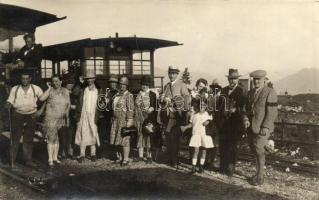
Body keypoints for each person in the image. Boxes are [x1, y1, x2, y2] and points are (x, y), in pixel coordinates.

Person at [243, 70, 278, 186]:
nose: (256, 81)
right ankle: (258, 173)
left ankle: (260, 177)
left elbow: (272, 112)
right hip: (251, 128)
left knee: (259, 149)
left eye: (259, 79)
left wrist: (266, 127)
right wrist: (246, 119)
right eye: (254, 79)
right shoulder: (250, 93)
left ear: (264, 80)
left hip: (262, 127)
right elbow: (246, 109)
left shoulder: (270, 92)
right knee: (254, 150)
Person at [5, 71, 45, 168]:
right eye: (23, 78)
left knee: (28, 138)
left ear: (30, 79)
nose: (25, 80)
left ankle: (28, 160)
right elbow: (10, 100)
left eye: (27, 78)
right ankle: (12, 160)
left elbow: (44, 100)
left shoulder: (36, 89)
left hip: (31, 115)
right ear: (21, 79)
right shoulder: (15, 89)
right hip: (18, 114)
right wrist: (8, 104)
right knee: (15, 138)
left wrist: (40, 111)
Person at [215, 68, 246, 176]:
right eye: (230, 79)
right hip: (223, 124)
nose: (232, 81)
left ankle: (231, 167)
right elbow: (218, 107)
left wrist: (235, 110)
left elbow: (244, 108)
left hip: (235, 124)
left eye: (234, 79)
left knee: (233, 146)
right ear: (228, 79)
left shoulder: (242, 91)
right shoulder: (223, 91)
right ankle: (222, 166)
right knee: (223, 145)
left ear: (237, 79)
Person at [160, 66, 190, 167]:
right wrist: (164, 100)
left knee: (175, 139)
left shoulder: (182, 85)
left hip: (177, 116)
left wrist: (177, 106)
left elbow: (186, 100)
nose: (172, 75)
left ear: (177, 74)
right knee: (168, 138)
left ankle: (175, 160)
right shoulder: (167, 86)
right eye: (170, 73)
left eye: (174, 73)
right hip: (168, 117)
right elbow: (162, 100)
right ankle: (170, 159)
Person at [41, 75, 70, 166]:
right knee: (51, 138)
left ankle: (55, 158)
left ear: (61, 81)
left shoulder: (65, 91)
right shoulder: (50, 91)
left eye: (57, 81)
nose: (55, 83)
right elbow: (41, 98)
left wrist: (67, 117)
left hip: (61, 119)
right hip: (51, 118)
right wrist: (49, 88)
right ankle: (50, 159)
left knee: (57, 139)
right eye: (53, 81)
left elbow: (68, 104)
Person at [181, 100, 214, 174]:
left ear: (206, 106)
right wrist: (185, 127)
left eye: (204, 105)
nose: (202, 106)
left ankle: (201, 167)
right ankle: (193, 167)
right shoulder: (194, 114)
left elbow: (211, 124)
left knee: (204, 152)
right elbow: (191, 125)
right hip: (196, 134)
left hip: (205, 135)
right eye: (201, 105)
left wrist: (209, 121)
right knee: (196, 151)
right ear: (198, 106)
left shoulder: (208, 114)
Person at [75, 71, 100, 163]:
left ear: (94, 79)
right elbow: (75, 94)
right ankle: (82, 155)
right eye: (88, 79)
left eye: (91, 78)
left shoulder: (98, 91)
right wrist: (79, 83)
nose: (90, 80)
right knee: (83, 133)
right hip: (84, 115)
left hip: (93, 115)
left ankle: (93, 154)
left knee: (93, 133)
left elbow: (100, 105)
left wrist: (97, 116)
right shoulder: (83, 90)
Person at [110, 76, 134, 166]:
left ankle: (126, 159)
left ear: (127, 85)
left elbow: (130, 109)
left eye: (124, 84)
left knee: (125, 140)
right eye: (120, 84)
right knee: (117, 139)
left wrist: (129, 120)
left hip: (124, 120)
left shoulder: (129, 95)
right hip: (116, 120)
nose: (122, 86)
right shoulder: (116, 95)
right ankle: (119, 157)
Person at [134, 76, 158, 164]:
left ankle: (149, 156)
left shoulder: (152, 94)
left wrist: (151, 109)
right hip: (139, 118)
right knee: (140, 136)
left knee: (148, 136)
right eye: (143, 84)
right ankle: (140, 156)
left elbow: (156, 106)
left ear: (149, 85)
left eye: (146, 84)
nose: (144, 86)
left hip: (149, 119)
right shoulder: (138, 94)